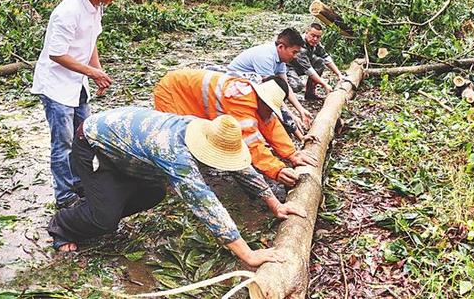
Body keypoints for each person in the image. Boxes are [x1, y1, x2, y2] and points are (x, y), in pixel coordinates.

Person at [47, 109, 305, 266]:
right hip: (93, 145)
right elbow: (203, 200)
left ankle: (99, 203)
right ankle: (63, 225)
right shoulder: (174, 153)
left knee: (154, 192)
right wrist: (247, 254)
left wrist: (276, 204)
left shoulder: (208, 130)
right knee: (105, 219)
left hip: (126, 151)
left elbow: (242, 169)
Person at [31, 0, 136, 209]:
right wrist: (91, 72)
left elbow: (91, 42)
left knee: (83, 137)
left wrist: (97, 71)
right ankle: (64, 196)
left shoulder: (96, 8)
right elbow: (57, 54)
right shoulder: (67, 12)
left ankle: (80, 183)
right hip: (56, 86)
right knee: (63, 143)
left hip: (77, 83)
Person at [153, 69, 317, 187]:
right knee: (177, 135)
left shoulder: (257, 99)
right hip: (172, 90)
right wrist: (277, 169)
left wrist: (291, 153)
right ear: (263, 101)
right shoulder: (240, 101)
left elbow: (270, 124)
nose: (270, 113)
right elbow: (250, 142)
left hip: (188, 93)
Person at [227, 28, 313, 130]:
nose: (295, 57)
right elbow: (271, 94)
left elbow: (285, 86)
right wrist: (291, 116)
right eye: (294, 52)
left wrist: (301, 110)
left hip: (249, 85)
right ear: (281, 47)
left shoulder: (280, 58)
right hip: (233, 86)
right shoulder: (265, 57)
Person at [287, 22, 345, 100]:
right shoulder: (300, 45)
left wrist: (339, 74)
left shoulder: (315, 43)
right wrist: (324, 85)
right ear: (306, 32)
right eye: (313, 35)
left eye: (318, 37)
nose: (315, 39)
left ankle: (310, 94)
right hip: (288, 68)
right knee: (297, 86)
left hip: (301, 67)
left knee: (319, 62)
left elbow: (326, 57)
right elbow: (309, 70)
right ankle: (282, 93)